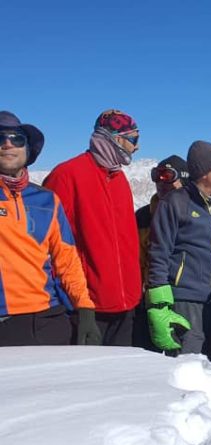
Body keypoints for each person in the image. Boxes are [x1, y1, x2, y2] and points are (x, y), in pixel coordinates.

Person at [0, 111, 100, 346]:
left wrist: (84, 308)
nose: (7, 144)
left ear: (27, 148)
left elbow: (67, 260)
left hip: (49, 318)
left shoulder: (47, 200)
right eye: (0, 138)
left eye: (17, 138)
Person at [43, 109, 141, 346]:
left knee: (123, 378)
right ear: (115, 138)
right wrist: (70, 298)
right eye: (134, 139)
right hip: (88, 305)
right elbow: (50, 242)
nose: (137, 147)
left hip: (127, 302)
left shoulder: (119, 179)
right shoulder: (67, 175)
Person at [145, 141, 211, 355]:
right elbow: (159, 253)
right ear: (205, 171)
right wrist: (159, 306)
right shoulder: (176, 203)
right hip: (185, 299)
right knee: (188, 366)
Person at [134, 155, 189, 349]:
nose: (161, 183)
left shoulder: (194, 216)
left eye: (168, 177)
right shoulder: (142, 217)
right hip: (148, 299)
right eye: (156, 177)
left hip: (184, 298)